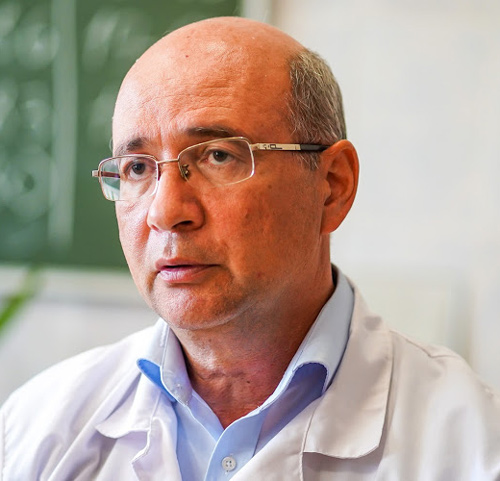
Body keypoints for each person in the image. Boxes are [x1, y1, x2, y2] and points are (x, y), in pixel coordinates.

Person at [1, 16, 499, 481]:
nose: (166, 211)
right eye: (136, 168)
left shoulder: (473, 444)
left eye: (218, 156)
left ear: (332, 186)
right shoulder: (37, 428)